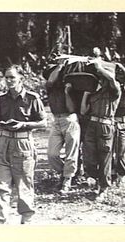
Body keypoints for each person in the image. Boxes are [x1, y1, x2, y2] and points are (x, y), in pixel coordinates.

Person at [0, 65, 47, 224]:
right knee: (0, 185)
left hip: (23, 143)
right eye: (6, 77)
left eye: (12, 77)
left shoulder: (32, 98)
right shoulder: (2, 99)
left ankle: (26, 220)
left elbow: (43, 122)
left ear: (21, 78)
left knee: (24, 185)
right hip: (4, 143)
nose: (8, 81)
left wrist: (23, 125)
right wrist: (1, 124)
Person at [81, 59, 121, 200]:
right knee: (89, 156)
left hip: (106, 126)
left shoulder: (115, 91)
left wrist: (99, 67)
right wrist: (86, 94)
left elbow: (112, 79)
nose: (102, 80)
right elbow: (83, 110)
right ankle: (95, 179)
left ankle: (103, 188)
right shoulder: (94, 93)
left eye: (103, 77)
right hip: (92, 125)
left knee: (104, 157)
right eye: (100, 78)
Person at [46, 63, 81, 193]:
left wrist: (67, 93)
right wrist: (59, 66)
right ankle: (66, 173)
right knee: (52, 154)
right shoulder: (50, 87)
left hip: (69, 120)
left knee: (71, 153)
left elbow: (72, 109)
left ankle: (67, 180)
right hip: (56, 120)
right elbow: (50, 82)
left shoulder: (71, 87)